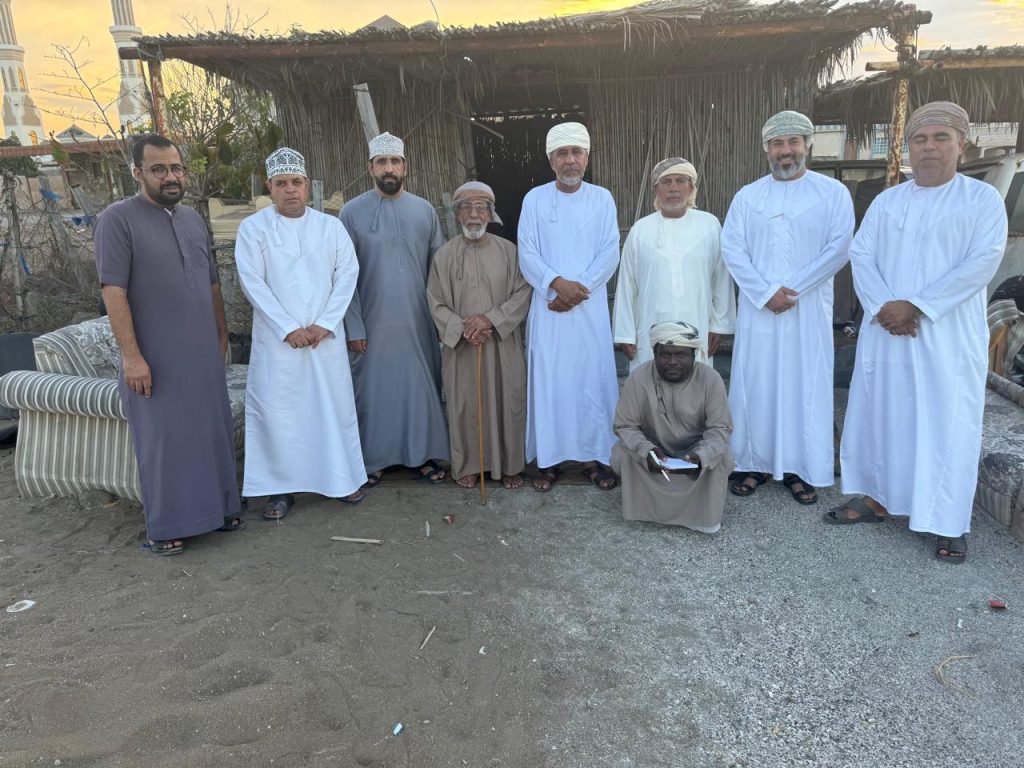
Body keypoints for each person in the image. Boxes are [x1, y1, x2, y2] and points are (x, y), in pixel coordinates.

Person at [834, 101, 1008, 564]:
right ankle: (877, 498)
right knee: (883, 413)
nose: (929, 147)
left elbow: (982, 262)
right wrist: (884, 307)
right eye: (920, 139)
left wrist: (917, 306)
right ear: (909, 146)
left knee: (945, 422)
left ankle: (947, 520)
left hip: (945, 336)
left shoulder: (981, 200)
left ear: (961, 144)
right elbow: (862, 254)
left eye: (940, 138)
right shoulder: (889, 201)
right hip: (886, 330)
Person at [94, 134, 242, 555]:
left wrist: (221, 334)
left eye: (176, 167)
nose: (170, 176)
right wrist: (132, 357)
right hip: (155, 356)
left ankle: (220, 510)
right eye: (158, 169)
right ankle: (166, 527)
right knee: (164, 442)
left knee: (210, 433)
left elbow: (211, 282)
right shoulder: (117, 220)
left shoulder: (193, 218)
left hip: (202, 352)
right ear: (137, 172)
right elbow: (113, 291)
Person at [721, 111, 854, 506]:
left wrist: (792, 292)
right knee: (756, 384)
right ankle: (752, 463)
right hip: (759, 311)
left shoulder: (832, 193)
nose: (786, 151)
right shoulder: (748, 196)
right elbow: (732, 249)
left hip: (806, 311)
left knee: (804, 385)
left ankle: (800, 467)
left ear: (807, 145)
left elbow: (839, 248)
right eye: (778, 143)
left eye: (793, 142)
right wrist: (765, 293)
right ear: (766, 149)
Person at [235, 147, 366, 520]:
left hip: (325, 340)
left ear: (307, 185)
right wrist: (288, 328)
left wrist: (325, 323)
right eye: (281, 184)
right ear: (269, 187)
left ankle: (340, 479)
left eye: (296, 182)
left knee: (331, 408)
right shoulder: (253, 229)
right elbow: (252, 283)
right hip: (279, 344)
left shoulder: (331, 227)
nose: (290, 190)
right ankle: (280, 489)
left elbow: (347, 276)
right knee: (280, 414)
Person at [340, 132, 450, 486]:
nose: (389, 168)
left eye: (395, 162)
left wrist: (441, 321)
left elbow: (439, 270)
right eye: (382, 162)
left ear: (405, 166)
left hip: (418, 321)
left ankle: (421, 455)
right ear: (370, 167)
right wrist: (354, 327)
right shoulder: (350, 212)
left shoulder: (424, 210)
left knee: (419, 390)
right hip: (371, 322)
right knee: (373, 392)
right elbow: (343, 277)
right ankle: (374, 459)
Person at [518, 122, 621, 492]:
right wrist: (555, 284)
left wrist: (578, 290)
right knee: (550, 382)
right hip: (548, 309)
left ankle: (594, 457)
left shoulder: (602, 199)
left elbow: (610, 252)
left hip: (589, 310)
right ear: (551, 161)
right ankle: (549, 460)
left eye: (576, 152)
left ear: (587, 157)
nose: (570, 160)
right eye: (562, 153)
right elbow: (527, 251)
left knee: (591, 381)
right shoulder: (534, 199)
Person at [427, 181, 532, 489]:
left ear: (491, 213)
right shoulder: (443, 256)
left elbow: (523, 293)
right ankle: (469, 465)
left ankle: (510, 465)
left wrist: (490, 320)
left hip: (501, 344)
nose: (474, 215)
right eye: (466, 208)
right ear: (457, 214)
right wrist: (463, 328)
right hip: (462, 347)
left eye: (480, 208)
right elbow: (435, 302)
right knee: (464, 404)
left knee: (508, 401)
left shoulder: (509, 252)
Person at [613, 157, 735, 370]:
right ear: (656, 189)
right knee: (650, 382)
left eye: (681, 180)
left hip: (697, 325)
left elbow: (721, 279)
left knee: (696, 382)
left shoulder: (709, 225)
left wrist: (719, 326)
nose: (673, 188)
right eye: (666, 182)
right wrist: (625, 334)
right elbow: (626, 285)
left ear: (691, 187)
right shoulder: (640, 230)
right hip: (649, 329)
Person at [611, 322, 734, 532]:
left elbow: (720, 428)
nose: (672, 362)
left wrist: (700, 456)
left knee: (724, 457)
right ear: (655, 354)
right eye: (665, 355)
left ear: (694, 355)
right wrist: (647, 451)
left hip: (694, 455)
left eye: (681, 355)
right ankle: (648, 510)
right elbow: (625, 425)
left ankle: (699, 516)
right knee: (620, 455)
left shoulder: (710, 379)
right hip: (654, 453)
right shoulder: (639, 378)